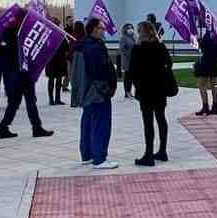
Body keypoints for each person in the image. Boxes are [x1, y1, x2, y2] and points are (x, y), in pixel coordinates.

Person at [0, 9, 53, 140]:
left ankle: (4, 128)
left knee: (15, 102)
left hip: (14, 72)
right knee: (28, 100)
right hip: (21, 72)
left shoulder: (8, 32)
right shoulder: (18, 32)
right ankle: (36, 128)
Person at [71, 17, 118, 169]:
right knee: (101, 124)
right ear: (94, 29)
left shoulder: (81, 45)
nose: (103, 30)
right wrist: (107, 87)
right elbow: (100, 70)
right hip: (97, 91)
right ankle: (99, 158)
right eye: (101, 28)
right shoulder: (95, 47)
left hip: (86, 91)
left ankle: (87, 155)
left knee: (87, 122)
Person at [128, 21, 173, 166]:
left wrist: (136, 85)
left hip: (145, 89)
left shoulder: (138, 49)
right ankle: (162, 151)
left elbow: (132, 70)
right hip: (159, 88)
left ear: (141, 32)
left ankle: (149, 154)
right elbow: (169, 63)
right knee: (161, 118)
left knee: (148, 122)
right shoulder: (160, 47)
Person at [194, 30, 217, 115]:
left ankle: (205, 107)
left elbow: (204, 49)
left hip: (206, 62)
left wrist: (199, 42)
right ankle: (215, 107)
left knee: (202, 85)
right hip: (216, 62)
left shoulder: (207, 35)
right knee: (214, 86)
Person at [45, 17, 69, 106]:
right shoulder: (56, 35)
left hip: (55, 60)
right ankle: (54, 99)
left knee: (55, 80)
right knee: (55, 80)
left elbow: (66, 47)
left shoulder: (57, 35)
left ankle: (54, 99)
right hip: (55, 60)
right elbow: (66, 47)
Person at [118, 23, 137, 99]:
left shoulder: (133, 37)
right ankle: (127, 92)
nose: (130, 29)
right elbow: (122, 48)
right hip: (127, 60)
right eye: (128, 28)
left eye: (131, 28)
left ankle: (130, 91)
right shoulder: (123, 38)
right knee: (127, 77)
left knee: (132, 77)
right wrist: (128, 54)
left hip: (133, 60)